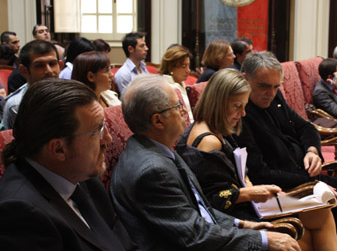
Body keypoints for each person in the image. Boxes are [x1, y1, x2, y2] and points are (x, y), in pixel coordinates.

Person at [110, 74, 301, 251]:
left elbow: (199, 209)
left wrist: (242, 225)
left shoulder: (160, 151)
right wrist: (262, 240)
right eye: (177, 106)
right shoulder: (152, 171)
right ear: (158, 121)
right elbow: (194, 235)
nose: (185, 111)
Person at [177, 68, 337, 251]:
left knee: (322, 212)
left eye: (244, 106)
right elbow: (209, 201)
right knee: (304, 239)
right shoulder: (208, 141)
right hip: (232, 218)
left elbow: (237, 172)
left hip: (248, 203)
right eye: (237, 106)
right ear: (218, 102)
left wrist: (249, 185)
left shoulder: (215, 128)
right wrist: (251, 192)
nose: (243, 114)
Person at [235, 51, 337, 251]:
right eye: (264, 86)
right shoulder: (241, 113)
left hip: (304, 173)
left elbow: (305, 127)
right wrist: (311, 185)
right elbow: (260, 173)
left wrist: (312, 151)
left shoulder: (274, 97)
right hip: (284, 186)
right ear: (245, 79)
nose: (271, 93)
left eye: (276, 87)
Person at [0, 79, 138, 250]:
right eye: (97, 131)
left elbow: (123, 245)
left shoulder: (82, 175)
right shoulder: (20, 214)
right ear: (58, 149)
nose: (107, 139)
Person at [1, 40, 63, 130]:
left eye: (52, 64)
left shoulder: (70, 94)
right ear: (24, 71)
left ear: (60, 66)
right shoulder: (18, 105)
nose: (49, 70)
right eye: (39, 66)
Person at [158, 45, 194, 122]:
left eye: (188, 66)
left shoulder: (181, 84)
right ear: (170, 67)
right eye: (184, 66)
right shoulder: (167, 88)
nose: (188, 70)